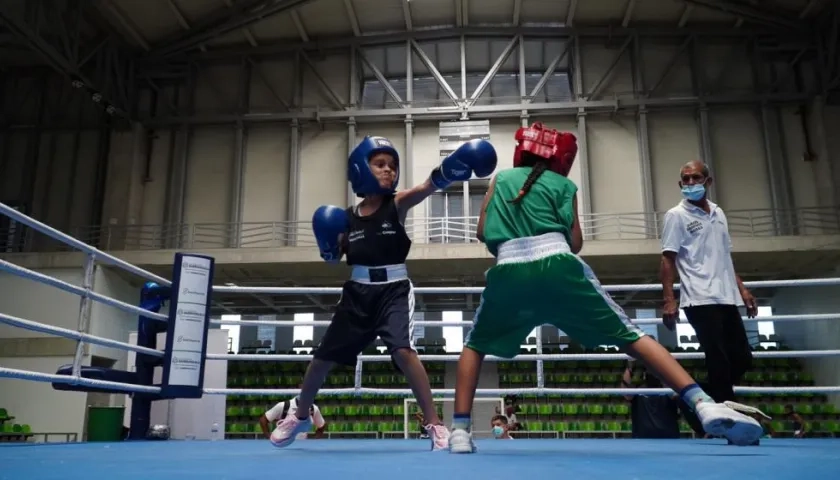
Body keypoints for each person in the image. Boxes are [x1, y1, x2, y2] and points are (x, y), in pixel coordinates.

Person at [446, 122, 765, 454]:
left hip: (509, 269)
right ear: (560, 159)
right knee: (632, 337)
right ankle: (703, 404)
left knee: (474, 346)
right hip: (558, 265)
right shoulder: (563, 185)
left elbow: (482, 231)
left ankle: (460, 432)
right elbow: (575, 243)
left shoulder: (500, 180)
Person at [268, 135, 498, 450]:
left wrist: (450, 170)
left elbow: (427, 187)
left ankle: (434, 424)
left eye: (392, 165)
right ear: (361, 169)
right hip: (357, 293)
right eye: (379, 164)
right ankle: (301, 415)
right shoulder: (346, 219)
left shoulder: (396, 204)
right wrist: (328, 245)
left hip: (394, 291)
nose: (388, 170)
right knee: (321, 359)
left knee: (403, 352)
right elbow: (334, 259)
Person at [659, 160, 771, 439]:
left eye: (695, 177)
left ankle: (692, 402)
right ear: (680, 183)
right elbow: (668, 258)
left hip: (726, 296)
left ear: (708, 181)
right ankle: (730, 426)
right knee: (718, 361)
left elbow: (725, 256)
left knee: (742, 359)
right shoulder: (676, 215)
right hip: (699, 297)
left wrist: (742, 290)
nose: (690, 183)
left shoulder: (719, 213)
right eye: (685, 179)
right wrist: (669, 299)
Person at [259, 396, 326, 440]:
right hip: (282, 445)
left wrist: (315, 440)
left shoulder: (313, 408)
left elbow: (322, 425)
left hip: (302, 446)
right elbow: (263, 420)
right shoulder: (283, 406)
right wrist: (269, 437)